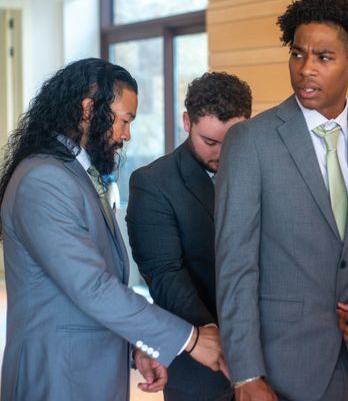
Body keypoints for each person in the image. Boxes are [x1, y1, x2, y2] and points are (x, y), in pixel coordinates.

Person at [214, 0, 348, 401]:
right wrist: (245, 373)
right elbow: (235, 266)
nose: (306, 68)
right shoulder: (250, 141)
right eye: (297, 54)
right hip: (280, 372)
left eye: (323, 57)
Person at [0, 58, 227, 401]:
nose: (127, 135)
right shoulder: (43, 180)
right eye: (124, 120)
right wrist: (190, 339)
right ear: (89, 110)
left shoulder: (74, 174)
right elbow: (92, 286)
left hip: (87, 371)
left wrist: (133, 347)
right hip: (56, 375)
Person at [127, 71, 252, 401]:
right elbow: (165, 274)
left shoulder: (261, 171)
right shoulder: (153, 183)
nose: (222, 152)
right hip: (200, 364)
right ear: (187, 122)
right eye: (209, 141)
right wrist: (209, 336)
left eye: (233, 140)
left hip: (268, 355)